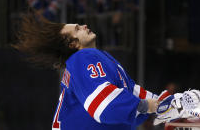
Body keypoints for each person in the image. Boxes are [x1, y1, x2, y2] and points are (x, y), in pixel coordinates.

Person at [13, 10, 159, 130]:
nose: (84, 26)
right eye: (77, 29)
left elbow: (132, 91)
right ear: (73, 44)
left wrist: (166, 104)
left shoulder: (98, 57)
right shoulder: (83, 57)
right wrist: (147, 106)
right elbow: (104, 106)